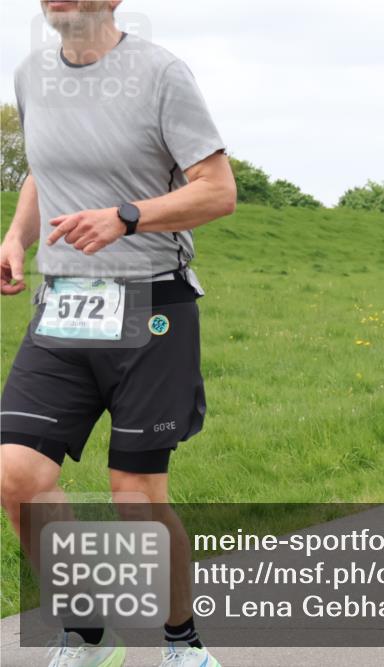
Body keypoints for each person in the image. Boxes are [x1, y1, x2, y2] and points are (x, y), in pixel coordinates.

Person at [0, 2, 235, 665]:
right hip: (64, 303)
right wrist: (16, 238)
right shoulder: (30, 75)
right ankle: (86, 630)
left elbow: (217, 190)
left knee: (135, 493)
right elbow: (46, 171)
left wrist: (127, 217)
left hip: (152, 305)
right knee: (15, 474)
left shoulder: (161, 74)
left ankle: (181, 643)